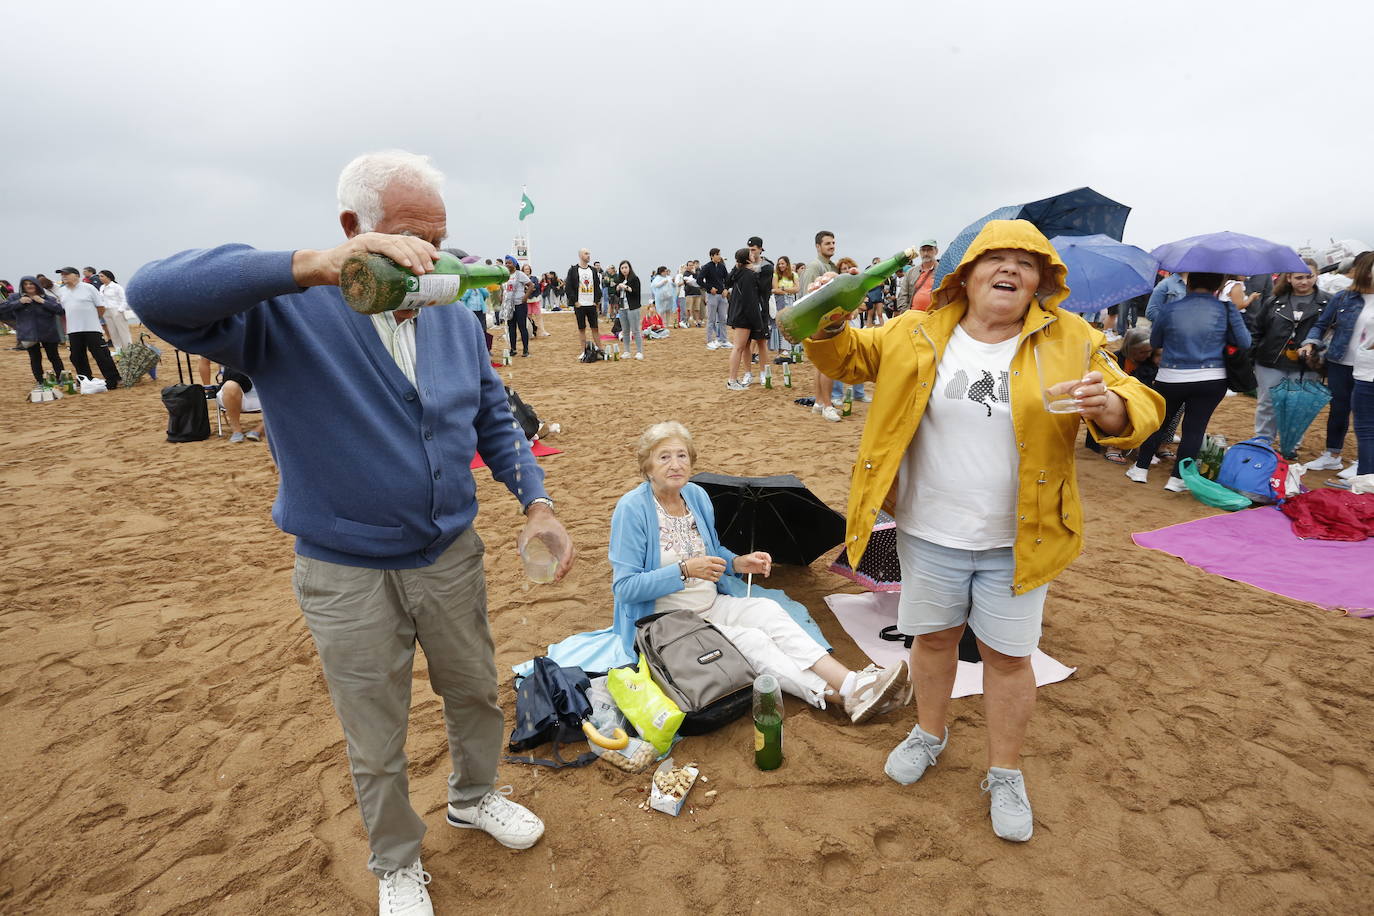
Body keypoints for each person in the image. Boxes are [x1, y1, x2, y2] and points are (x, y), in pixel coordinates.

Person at [129, 149, 574, 916]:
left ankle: (474, 796)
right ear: (352, 229)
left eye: (435, 240)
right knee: (376, 731)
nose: (424, 258)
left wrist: (535, 499)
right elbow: (153, 293)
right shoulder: (283, 316)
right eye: (406, 237)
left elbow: (493, 415)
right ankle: (396, 859)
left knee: (474, 694)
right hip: (346, 573)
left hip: (449, 558)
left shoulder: (452, 316)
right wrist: (314, 266)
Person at [805, 219, 1164, 842]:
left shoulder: (1072, 338)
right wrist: (832, 317)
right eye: (993, 259)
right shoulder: (913, 332)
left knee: (1006, 657)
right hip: (929, 531)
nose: (1009, 270)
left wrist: (1110, 408)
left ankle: (1004, 772)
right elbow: (844, 357)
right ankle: (929, 731)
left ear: (1040, 283)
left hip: (1019, 539)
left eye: (1025, 264)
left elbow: (1138, 403)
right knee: (935, 641)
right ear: (964, 275)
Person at [611, 421, 909, 720]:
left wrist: (739, 562)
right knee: (753, 643)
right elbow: (625, 588)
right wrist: (684, 570)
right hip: (669, 624)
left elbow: (713, 555)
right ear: (647, 465)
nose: (675, 464)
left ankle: (852, 684)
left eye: (682, 456)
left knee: (769, 612)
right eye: (664, 457)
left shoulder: (696, 496)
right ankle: (841, 696)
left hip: (712, 604)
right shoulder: (632, 509)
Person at [1127, 271, 1250, 489]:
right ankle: (1178, 479)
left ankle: (1140, 469)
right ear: (1218, 286)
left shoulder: (1170, 308)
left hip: (1171, 375)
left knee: (1159, 423)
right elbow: (1244, 341)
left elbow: (1155, 341)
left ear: (1189, 284)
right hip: (1211, 376)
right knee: (1194, 429)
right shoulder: (1225, 308)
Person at [1300, 251, 1374, 474]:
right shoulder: (1342, 297)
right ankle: (1332, 455)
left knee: (1367, 418)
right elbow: (1321, 325)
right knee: (1338, 410)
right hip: (1340, 362)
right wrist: (1311, 342)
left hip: (1370, 369)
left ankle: (1365, 464)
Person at [1250, 259, 1327, 455]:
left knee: (1298, 405)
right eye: (1299, 277)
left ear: (1317, 276)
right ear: (1289, 278)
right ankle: (1263, 439)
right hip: (1270, 360)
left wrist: (1319, 354)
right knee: (1267, 402)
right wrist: (1252, 355)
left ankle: (1291, 443)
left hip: (1307, 364)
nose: (1305, 281)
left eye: (1309, 276)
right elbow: (1258, 330)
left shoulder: (1328, 302)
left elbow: (1332, 332)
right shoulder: (1274, 301)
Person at [798, 231, 846, 421]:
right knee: (828, 364)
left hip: (828, 320)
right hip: (819, 322)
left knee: (820, 365)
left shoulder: (832, 265)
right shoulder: (814, 267)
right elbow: (808, 297)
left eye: (833, 242)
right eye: (827, 243)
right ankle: (827, 405)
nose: (832, 246)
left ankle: (819, 403)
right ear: (818, 246)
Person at [56, 267, 122, 389]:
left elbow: (100, 307)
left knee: (101, 355)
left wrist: (93, 319)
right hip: (73, 330)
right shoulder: (62, 291)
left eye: (66, 274)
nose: (63, 276)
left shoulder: (88, 288)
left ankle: (113, 379)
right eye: (62, 275)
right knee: (76, 356)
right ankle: (85, 379)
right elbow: (64, 310)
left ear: (76, 275)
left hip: (92, 328)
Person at [0, 276, 66, 384]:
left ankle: (62, 379)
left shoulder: (48, 298)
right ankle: (40, 381)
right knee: (35, 358)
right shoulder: (15, 298)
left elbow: (60, 311)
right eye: (25, 284)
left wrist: (42, 301)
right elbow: (2, 308)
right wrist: (19, 302)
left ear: (37, 285)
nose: (28, 286)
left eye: (31, 284)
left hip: (48, 332)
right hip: (28, 333)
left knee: (53, 356)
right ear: (22, 286)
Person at [725, 248, 768, 389]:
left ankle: (733, 380)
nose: (753, 255)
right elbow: (750, 301)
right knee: (738, 348)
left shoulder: (739, 273)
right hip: (744, 316)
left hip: (738, 313)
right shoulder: (748, 275)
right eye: (750, 254)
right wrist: (757, 323)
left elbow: (728, 280)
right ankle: (732, 380)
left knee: (740, 348)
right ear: (747, 259)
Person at [565, 248, 602, 351]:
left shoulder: (593, 270)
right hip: (580, 304)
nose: (588, 255)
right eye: (586, 254)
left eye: (589, 253)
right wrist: (575, 302)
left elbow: (597, 286)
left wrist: (596, 301)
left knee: (595, 328)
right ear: (581, 255)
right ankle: (583, 351)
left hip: (591, 304)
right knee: (582, 328)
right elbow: (568, 287)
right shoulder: (573, 270)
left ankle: (601, 349)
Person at [217, 367, 264, 443]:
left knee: (284, 390)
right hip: (235, 391)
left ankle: (259, 429)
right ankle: (236, 430)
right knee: (230, 385)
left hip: (263, 394)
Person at [699, 248, 730, 349]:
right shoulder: (707, 267)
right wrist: (709, 288)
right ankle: (710, 341)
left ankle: (723, 340)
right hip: (712, 296)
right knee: (711, 319)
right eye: (717, 254)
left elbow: (727, 279)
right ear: (712, 256)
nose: (719, 256)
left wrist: (726, 289)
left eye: (720, 254)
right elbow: (699, 280)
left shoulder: (722, 266)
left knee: (723, 319)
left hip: (722, 296)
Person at [502, 255, 532, 357]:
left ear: (514, 264)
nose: (507, 265)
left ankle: (526, 349)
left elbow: (531, 285)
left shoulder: (520, 274)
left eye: (509, 263)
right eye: (506, 263)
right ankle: (513, 349)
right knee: (511, 327)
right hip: (509, 305)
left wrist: (525, 297)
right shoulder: (505, 276)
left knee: (522, 327)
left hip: (520, 304)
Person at [97, 270, 134, 352]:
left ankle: (128, 350)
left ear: (108, 277)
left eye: (102, 276)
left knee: (123, 332)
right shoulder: (102, 287)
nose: (100, 278)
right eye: (99, 276)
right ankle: (119, 351)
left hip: (116, 310)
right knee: (113, 332)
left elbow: (124, 299)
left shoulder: (117, 287)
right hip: (106, 311)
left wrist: (120, 310)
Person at [900, 240, 939, 313]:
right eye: (923, 250)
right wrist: (905, 313)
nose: (926, 253)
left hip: (934, 317)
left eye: (929, 250)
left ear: (936, 251)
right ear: (920, 252)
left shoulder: (943, 271)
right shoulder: (910, 273)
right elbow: (903, 295)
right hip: (913, 317)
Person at [616, 260, 643, 360]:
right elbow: (618, 295)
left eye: (625, 267)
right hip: (622, 308)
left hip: (633, 308)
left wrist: (626, 287)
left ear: (629, 268)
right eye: (622, 268)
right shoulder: (620, 280)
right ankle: (627, 351)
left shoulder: (635, 279)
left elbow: (635, 292)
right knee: (625, 331)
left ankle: (639, 352)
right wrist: (618, 289)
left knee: (635, 330)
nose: (624, 270)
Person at [770, 256, 798, 353]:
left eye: (783, 263)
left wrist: (783, 289)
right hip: (780, 301)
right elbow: (775, 289)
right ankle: (781, 349)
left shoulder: (793, 275)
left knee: (789, 324)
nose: (781, 265)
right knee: (781, 324)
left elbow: (797, 289)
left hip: (791, 301)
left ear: (787, 264)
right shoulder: (776, 275)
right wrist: (787, 290)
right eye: (779, 263)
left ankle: (788, 348)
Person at [650, 265, 676, 343]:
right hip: (660, 298)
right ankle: (661, 324)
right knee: (660, 311)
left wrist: (673, 281)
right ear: (661, 272)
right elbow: (654, 286)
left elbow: (673, 285)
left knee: (668, 311)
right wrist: (662, 282)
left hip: (669, 297)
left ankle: (667, 323)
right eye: (664, 271)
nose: (666, 272)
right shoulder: (657, 278)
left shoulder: (668, 277)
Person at [683, 260, 705, 328]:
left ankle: (697, 322)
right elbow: (689, 281)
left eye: (692, 265)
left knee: (697, 309)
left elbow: (700, 281)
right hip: (689, 293)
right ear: (687, 266)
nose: (691, 266)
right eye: (689, 265)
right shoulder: (686, 273)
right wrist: (695, 281)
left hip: (697, 293)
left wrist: (695, 278)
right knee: (688, 309)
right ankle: (687, 322)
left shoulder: (697, 273)